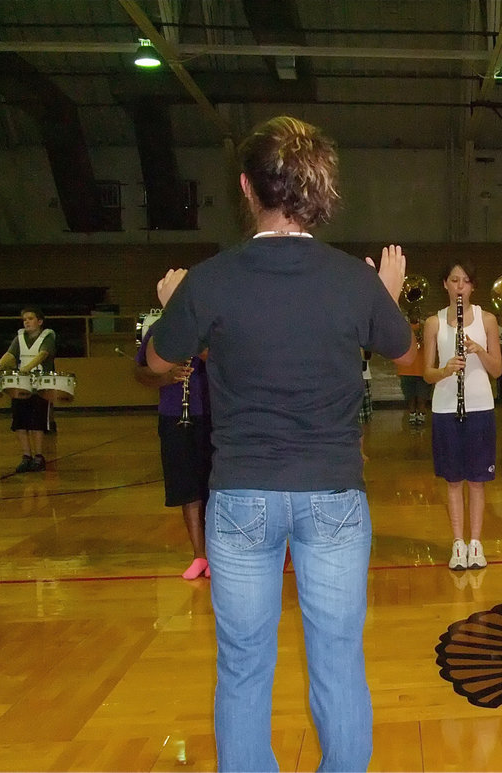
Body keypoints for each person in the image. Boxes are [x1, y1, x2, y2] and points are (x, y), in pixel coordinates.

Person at [145, 115, 415, 772]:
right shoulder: (354, 280)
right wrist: (388, 295)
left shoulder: (211, 279)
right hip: (333, 497)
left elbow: (158, 361)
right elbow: (407, 357)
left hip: (240, 500)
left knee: (241, 668)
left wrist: (174, 302)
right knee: (339, 663)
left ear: (246, 186)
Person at [423, 261, 502, 570]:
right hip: (445, 407)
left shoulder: (488, 320)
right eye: (454, 280)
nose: (460, 286)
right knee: (453, 480)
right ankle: (458, 544)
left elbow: (496, 370)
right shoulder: (434, 322)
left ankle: (476, 544)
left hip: (481, 406)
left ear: (472, 286)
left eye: (466, 281)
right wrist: (445, 370)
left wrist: (479, 350)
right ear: (445, 284)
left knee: (478, 482)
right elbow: (426, 373)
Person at [134, 326, 212, 580]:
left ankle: (220, 555)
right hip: (175, 415)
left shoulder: (215, 323)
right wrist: (165, 378)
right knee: (186, 487)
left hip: (218, 413)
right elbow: (140, 372)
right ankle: (199, 555)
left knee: (218, 488)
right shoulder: (161, 329)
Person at [0, 307, 55, 472]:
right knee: (20, 422)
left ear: (39, 322)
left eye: (30, 318)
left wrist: (27, 368)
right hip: (21, 385)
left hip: (40, 386)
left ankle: (39, 456)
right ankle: (26, 456)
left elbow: (43, 354)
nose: (27, 322)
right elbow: (10, 355)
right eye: (25, 319)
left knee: (37, 422)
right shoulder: (19, 338)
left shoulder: (48, 336)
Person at [397, 318, 431, 427]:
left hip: (423, 370)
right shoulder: (403, 328)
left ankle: (421, 415)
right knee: (409, 396)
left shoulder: (426, 327)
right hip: (406, 370)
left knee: (422, 396)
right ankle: (412, 414)